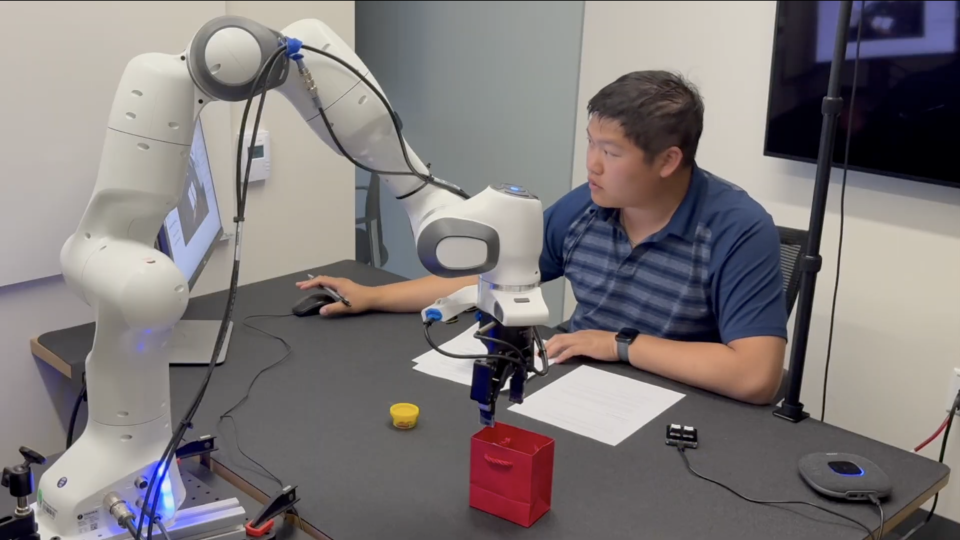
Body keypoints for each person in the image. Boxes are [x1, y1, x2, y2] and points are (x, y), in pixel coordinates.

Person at [297, 71, 789, 405]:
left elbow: (755, 376)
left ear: (667, 161)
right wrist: (374, 296)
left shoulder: (738, 230)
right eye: (591, 144)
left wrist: (618, 345)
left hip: (678, 412)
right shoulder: (587, 205)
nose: (592, 164)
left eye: (611, 153)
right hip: (576, 386)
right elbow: (490, 274)